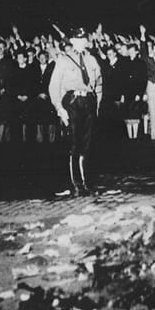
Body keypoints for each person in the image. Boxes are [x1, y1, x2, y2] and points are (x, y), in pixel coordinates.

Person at [48, 28, 102, 196]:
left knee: (88, 143)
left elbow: (99, 84)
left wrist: (97, 105)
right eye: (79, 39)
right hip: (72, 102)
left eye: (84, 39)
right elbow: (54, 85)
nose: (83, 42)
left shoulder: (92, 60)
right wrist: (59, 108)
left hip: (89, 102)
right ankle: (76, 184)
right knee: (74, 143)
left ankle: (87, 182)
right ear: (72, 41)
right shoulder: (63, 60)